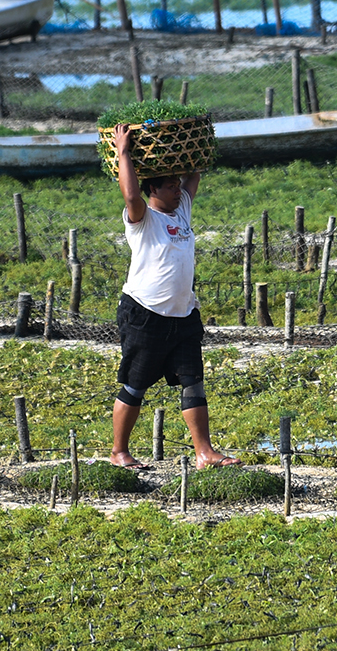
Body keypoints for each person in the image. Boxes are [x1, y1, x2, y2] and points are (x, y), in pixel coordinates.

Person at [108, 123, 237, 471]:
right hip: (145, 312)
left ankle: (205, 452)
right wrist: (124, 152)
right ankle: (119, 451)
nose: (177, 189)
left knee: (193, 380)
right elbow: (131, 195)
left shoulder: (181, 212)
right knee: (136, 383)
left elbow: (194, 174)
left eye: (177, 184)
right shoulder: (142, 218)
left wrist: (194, 145)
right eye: (169, 185)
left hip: (183, 314)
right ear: (154, 188)